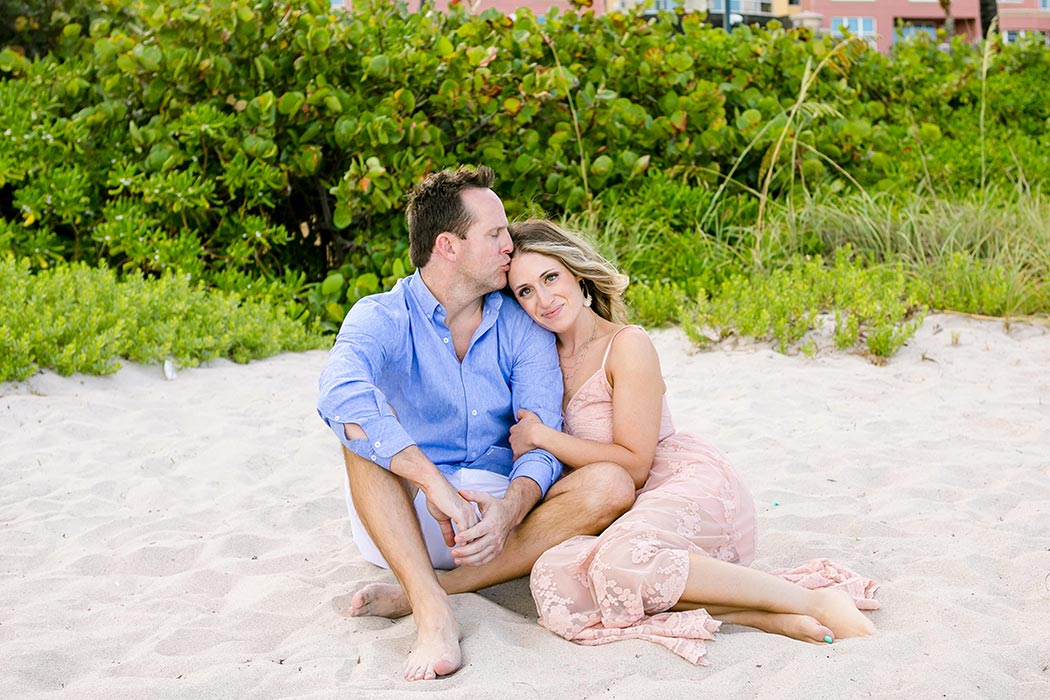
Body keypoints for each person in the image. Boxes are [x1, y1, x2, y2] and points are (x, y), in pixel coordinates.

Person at [505, 219, 879, 665]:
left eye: (550, 278)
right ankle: (759, 615)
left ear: (577, 274)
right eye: (525, 291)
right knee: (556, 576)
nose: (543, 300)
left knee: (618, 562)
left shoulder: (626, 345)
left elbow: (636, 463)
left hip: (675, 482)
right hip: (615, 506)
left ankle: (812, 602)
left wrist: (543, 436)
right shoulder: (537, 359)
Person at [316, 168, 635, 681]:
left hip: (500, 524)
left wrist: (510, 509)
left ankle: (438, 588)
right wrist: (432, 483)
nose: (511, 244)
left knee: (612, 483)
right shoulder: (381, 317)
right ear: (448, 245)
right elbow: (339, 393)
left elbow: (542, 433)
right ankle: (430, 606)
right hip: (408, 518)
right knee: (358, 429)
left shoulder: (520, 325)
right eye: (495, 234)